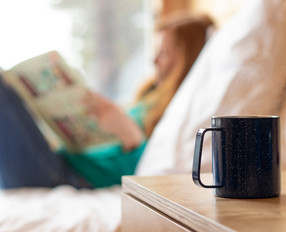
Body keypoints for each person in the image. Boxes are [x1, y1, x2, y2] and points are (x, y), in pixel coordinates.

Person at [0, 12, 215, 189]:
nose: (153, 59)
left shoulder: (181, 112)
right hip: (63, 161)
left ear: (186, 60)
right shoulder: (149, 96)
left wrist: (130, 134)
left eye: (164, 53)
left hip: (70, 177)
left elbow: (154, 171)